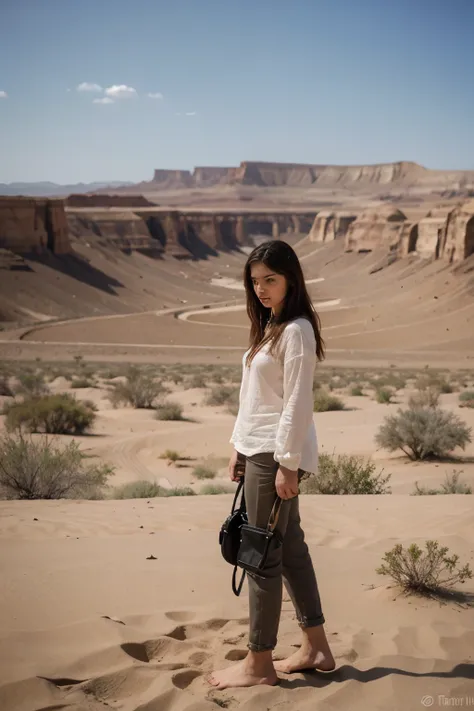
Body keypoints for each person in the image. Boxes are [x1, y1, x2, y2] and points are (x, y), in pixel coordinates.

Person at [207, 240, 335, 690]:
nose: (261, 289)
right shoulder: (271, 326)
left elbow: (298, 402)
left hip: (276, 455)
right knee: (291, 548)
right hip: (259, 449)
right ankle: (316, 646)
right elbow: (256, 398)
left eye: (271, 280)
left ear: (291, 280)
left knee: (260, 556)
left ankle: (258, 664)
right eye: (255, 281)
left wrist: (286, 464)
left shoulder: (295, 330)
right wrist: (238, 445)